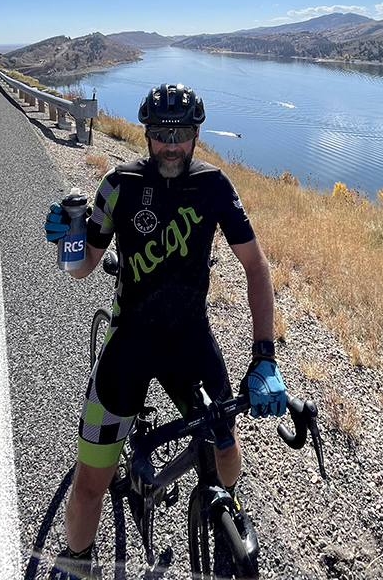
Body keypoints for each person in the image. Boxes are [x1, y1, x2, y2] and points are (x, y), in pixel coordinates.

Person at [44, 82, 286, 577]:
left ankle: (227, 507)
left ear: (196, 133)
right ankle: (75, 560)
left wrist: (265, 358)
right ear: (146, 134)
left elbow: (256, 268)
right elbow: (84, 266)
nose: (170, 144)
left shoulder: (215, 185)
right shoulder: (119, 184)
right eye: (160, 133)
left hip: (190, 338)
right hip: (129, 340)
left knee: (224, 438)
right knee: (90, 483)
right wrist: (70, 237)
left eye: (179, 133)